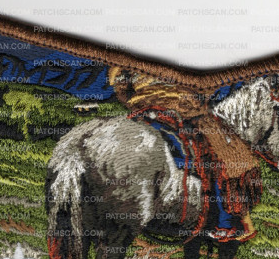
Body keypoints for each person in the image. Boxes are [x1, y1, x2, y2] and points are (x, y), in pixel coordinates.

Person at [107, 67, 261, 242]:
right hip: (180, 107)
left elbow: (120, 86)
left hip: (146, 109)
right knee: (222, 152)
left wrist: (134, 102)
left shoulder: (126, 63)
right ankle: (226, 221)